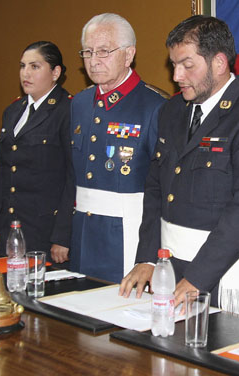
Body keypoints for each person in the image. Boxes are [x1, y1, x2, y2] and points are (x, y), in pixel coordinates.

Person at [119, 15, 239, 320]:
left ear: (219, 63)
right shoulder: (171, 111)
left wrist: (198, 278)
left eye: (187, 65)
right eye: (173, 65)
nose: (177, 75)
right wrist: (147, 259)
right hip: (170, 271)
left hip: (219, 277)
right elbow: (155, 190)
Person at [69, 13, 167, 283]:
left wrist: (149, 255)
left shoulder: (155, 106)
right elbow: (69, 174)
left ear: (128, 54)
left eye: (104, 51)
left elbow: (164, 186)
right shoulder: (79, 103)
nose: (93, 59)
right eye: (87, 51)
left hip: (127, 232)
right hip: (82, 230)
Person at [0, 41, 74, 265]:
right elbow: (2, 172)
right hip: (12, 226)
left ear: (55, 72)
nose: (25, 73)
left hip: (44, 230)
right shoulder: (13, 111)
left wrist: (63, 236)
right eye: (22, 66)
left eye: (35, 66)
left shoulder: (67, 110)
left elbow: (72, 178)